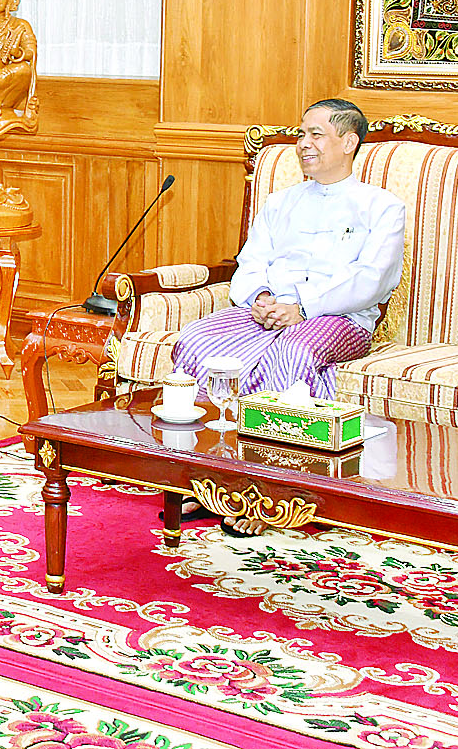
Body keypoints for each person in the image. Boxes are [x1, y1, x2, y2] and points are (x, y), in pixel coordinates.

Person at [169, 99, 405, 536]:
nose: (303, 144)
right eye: (301, 133)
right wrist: (259, 296)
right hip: (266, 310)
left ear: (349, 142)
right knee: (197, 339)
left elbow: (372, 280)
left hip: (338, 317)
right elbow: (251, 261)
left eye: (316, 134)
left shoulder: (381, 206)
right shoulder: (281, 202)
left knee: (293, 353)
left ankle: (270, 491)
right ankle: (208, 475)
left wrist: (303, 307)